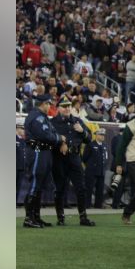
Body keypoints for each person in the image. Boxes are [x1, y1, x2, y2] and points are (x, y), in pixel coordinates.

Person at [49, 97, 96, 227]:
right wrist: (60, 142)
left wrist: (82, 132)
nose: (67, 108)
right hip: (59, 158)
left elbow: (89, 138)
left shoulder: (77, 121)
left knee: (81, 187)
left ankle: (83, 217)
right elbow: (47, 138)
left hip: (75, 158)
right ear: (58, 108)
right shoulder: (52, 122)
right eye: (64, 106)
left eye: (69, 106)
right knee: (60, 189)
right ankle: (60, 217)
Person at [22, 94, 60, 228]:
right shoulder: (36, 116)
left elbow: (53, 132)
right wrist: (59, 139)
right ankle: (28, 218)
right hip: (37, 151)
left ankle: (36, 217)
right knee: (35, 184)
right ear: (42, 104)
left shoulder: (43, 117)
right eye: (48, 104)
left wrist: (56, 137)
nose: (49, 106)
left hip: (44, 152)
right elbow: (46, 135)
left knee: (39, 186)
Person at [84, 127, 111, 209]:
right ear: (96, 135)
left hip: (101, 170)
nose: (102, 136)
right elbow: (85, 158)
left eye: (103, 135)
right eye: (101, 135)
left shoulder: (105, 146)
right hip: (92, 171)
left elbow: (106, 158)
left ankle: (98, 204)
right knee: (89, 188)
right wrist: (90, 166)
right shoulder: (90, 145)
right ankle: (87, 205)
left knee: (100, 189)